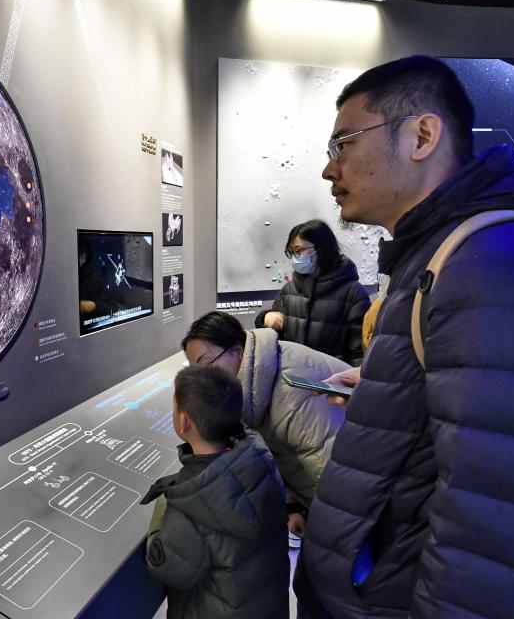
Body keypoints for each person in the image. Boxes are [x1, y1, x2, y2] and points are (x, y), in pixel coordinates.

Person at [292, 55, 514, 618]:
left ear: (422, 136)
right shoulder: (447, 254)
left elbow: (510, 532)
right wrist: (389, 385)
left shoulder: (500, 264)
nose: (329, 169)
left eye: (344, 144)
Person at [181, 311, 348, 539]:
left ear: (238, 350)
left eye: (207, 364)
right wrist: (293, 504)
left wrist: (326, 545)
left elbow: (343, 492)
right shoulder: (255, 379)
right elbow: (279, 451)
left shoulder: (293, 396)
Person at [142, 364, 289, 618]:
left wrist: (165, 502)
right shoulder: (258, 457)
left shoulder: (191, 504)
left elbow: (168, 566)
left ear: (183, 421)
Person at [255, 219, 370, 366]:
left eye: (299, 250)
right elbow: (273, 339)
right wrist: (265, 318)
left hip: (334, 376)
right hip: (292, 375)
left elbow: (358, 353)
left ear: (321, 249)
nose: (295, 257)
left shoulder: (354, 294)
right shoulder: (288, 290)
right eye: (292, 252)